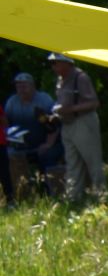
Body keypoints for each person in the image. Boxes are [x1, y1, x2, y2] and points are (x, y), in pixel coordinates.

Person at [47, 54, 104, 204]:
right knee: (72, 164)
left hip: (83, 122)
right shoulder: (60, 80)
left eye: (55, 63)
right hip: (67, 124)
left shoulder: (81, 77)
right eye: (52, 63)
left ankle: (101, 197)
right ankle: (74, 199)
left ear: (67, 63)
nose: (53, 67)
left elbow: (93, 103)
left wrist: (70, 109)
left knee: (93, 162)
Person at [6, 71, 62, 202]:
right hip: (21, 144)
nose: (21, 89)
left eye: (24, 86)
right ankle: (19, 195)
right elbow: (7, 125)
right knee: (9, 156)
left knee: (47, 157)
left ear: (32, 86)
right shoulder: (12, 102)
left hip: (47, 142)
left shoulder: (44, 100)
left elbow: (54, 125)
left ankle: (49, 194)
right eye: (18, 86)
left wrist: (48, 144)